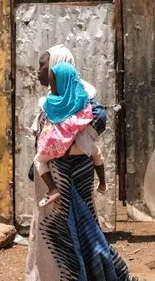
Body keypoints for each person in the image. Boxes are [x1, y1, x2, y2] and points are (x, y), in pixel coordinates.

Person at [20, 44, 146, 281]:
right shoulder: (56, 100)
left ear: (57, 69)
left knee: (87, 237)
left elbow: (88, 137)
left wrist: (63, 151)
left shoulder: (83, 103)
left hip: (68, 178)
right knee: (73, 239)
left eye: (44, 65)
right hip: (54, 179)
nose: (40, 71)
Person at [34, 62, 107, 208]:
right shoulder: (82, 100)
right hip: (81, 147)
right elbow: (90, 117)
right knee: (97, 154)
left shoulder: (52, 103)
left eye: (53, 82)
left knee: (38, 160)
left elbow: (48, 118)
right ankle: (103, 183)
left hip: (57, 149)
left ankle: (52, 189)